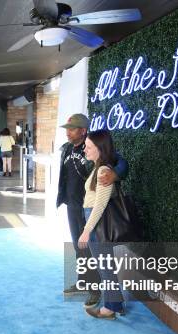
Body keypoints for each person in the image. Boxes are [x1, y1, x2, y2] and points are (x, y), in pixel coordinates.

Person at [57, 113, 128, 308]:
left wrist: (115, 173)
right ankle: (84, 281)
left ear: (83, 131)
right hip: (72, 205)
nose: (67, 133)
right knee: (78, 247)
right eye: (67, 129)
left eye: (72, 129)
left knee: (92, 249)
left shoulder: (95, 150)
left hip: (88, 206)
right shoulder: (67, 149)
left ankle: (96, 291)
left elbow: (121, 163)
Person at [79, 130, 125, 319]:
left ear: (100, 148)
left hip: (96, 222)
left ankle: (110, 308)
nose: (85, 150)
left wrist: (86, 231)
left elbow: (100, 205)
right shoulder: (99, 168)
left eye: (89, 147)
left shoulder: (104, 171)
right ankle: (116, 304)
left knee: (105, 267)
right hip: (93, 219)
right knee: (105, 266)